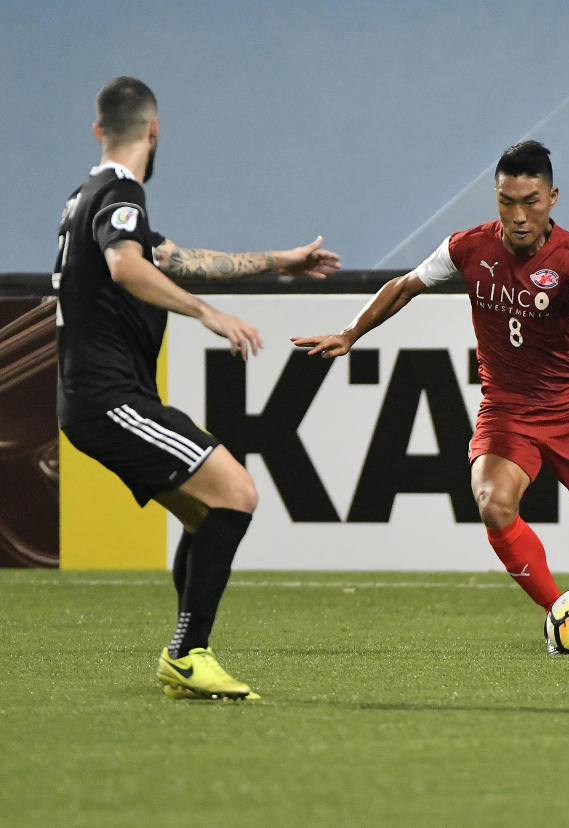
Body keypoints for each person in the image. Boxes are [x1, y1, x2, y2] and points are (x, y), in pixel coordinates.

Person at [292, 140, 569, 651]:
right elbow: (405, 285)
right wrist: (351, 332)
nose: (519, 215)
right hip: (506, 409)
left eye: (530, 200)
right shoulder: (468, 247)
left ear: (553, 197)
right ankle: (561, 619)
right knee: (492, 502)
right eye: (507, 201)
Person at [54, 76, 341, 699]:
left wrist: (278, 261)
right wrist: (206, 313)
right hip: (109, 400)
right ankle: (187, 655)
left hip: (99, 400)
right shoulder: (121, 192)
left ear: (98, 129)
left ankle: (186, 656)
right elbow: (125, 264)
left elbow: (173, 259)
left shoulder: (86, 197)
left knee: (207, 509)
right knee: (236, 492)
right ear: (153, 131)